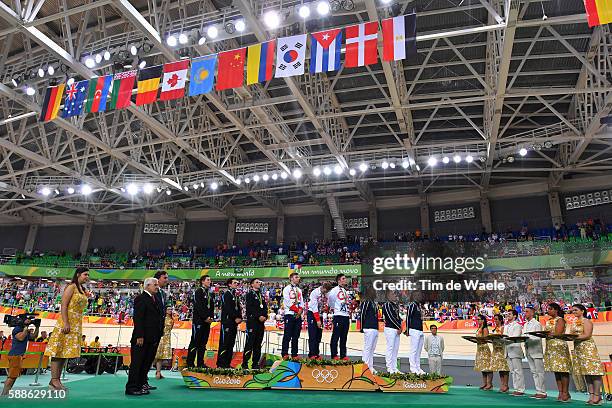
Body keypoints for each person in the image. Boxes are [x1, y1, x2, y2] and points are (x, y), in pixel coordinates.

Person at [44, 267, 90, 391]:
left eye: (88, 275)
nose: (87, 277)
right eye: (85, 274)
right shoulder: (71, 287)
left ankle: (56, 380)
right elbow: (63, 305)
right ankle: (54, 380)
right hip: (67, 321)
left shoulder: (82, 289)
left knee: (65, 352)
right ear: (79, 274)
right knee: (58, 351)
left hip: (76, 323)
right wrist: (65, 322)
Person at [125, 277, 162, 396]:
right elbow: (138, 318)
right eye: (155, 285)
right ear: (147, 286)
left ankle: (140, 385)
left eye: (157, 285)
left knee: (146, 363)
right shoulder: (141, 299)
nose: (157, 286)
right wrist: (140, 335)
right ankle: (131, 387)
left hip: (152, 337)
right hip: (141, 338)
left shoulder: (154, 298)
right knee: (137, 363)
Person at [571, 304, 604, 405]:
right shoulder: (574, 322)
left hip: (588, 348)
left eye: (576, 310)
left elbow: (587, 335)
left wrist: (573, 338)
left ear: (582, 311)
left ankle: (598, 396)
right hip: (578, 349)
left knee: (594, 372)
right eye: (573, 310)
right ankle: (591, 395)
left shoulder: (586, 321)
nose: (574, 312)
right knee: (586, 373)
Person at [1, 315, 39, 396]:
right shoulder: (17, 329)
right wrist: (25, 329)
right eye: (28, 319)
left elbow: (33, 336)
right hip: (15, 355)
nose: (30, 321)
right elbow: (21, 338)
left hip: (18, 355)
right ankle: (4, 394)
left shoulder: (23, 329)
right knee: (11, 377)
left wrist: (37, 327)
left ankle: (6, 393)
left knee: (13, 376)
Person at [544, 302, 572, 402]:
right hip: (550, 346)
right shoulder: (548, 320)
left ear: (556, 310)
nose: (548, 310)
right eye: (548, 309)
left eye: (550, 309)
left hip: (559, 346)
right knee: (556, 371)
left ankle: (565, 392)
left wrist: (548, 334)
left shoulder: (560, 320)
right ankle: (560, 391)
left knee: (563, 370)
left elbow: (558, 333)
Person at [187, 275, 214, 368]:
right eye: (208, 280)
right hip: (199, 321)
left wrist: (211, 317)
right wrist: (205, 317)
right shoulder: (198, 291)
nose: (210, 281)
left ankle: (200, 363)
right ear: (202, 281)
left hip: (207, 322)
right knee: (195, 342)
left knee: (203, 343)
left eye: (210, 280)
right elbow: (198, 306)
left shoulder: (210, 293)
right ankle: (190, 363)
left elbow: (211, 307)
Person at [243, 278, 268, 369]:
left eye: (259, 282)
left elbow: (265, 307)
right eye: (257, 282)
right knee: (250, 343)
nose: (259, 283)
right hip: (252, 322)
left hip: (260, 323)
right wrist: (258, 316)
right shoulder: (249, 295)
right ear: (252, 285)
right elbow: (250, 308)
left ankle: (255, 363)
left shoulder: (261, 295)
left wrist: (265, 316)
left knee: (258, 344)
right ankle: (245, 363)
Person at [216, 278, 242, 368]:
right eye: (235, 283)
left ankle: (227, 363)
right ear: (229, 284)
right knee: (225, 343)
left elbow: (238, 308)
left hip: (234, 322)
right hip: (227, 322)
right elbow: (228, 308)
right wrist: (235, 317)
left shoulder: (235, 295)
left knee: (231, 343)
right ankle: (221, 364)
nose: (237, 284)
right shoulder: (226, 294)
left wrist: (240, 317)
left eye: (237, 283)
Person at [523, 305, 546, 399]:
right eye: (525, 311)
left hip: (536, 350)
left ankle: (543, 392)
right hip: (528, 349)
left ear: (532, 312)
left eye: (527, 311)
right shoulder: (525, 324)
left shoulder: (537, 324)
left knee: (540, 372)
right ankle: (538, 390)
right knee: (534, 372)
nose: (525, 313)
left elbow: (538, 337)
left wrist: (527, 338)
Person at [328, 273, 351, 360]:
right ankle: (334, 355)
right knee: (336, 336)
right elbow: (330, 300)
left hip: (345, 315)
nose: (345, 280)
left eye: (345, 278)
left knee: (344, 337)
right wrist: (335, 308)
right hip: (338, 315)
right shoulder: (334, 290)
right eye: (343, 278)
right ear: (338, 281)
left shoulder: (345, 291)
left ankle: (343, 355)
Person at [307, 282, 332, 358]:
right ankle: (312, 354)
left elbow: (328, 302)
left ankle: (316, 353)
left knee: (318, 335)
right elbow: (314, 308)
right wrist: (318, 320)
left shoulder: (327, 293)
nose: (326, 293)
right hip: (312, 314)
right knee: (313, 335)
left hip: (320, 314)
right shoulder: (314, 293)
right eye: (326, 291)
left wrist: (327, 307)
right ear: (323, 288)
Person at [281, 272, 304, 358]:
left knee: (296, 335)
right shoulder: (286, 289)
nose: (298, 279)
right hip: (290, 314)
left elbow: (301, 301)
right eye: (296, 277)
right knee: (287, 335)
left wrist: (300, 310)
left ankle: (294, 354)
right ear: (291, 278)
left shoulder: (299, 290)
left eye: (298, 277)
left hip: (298, 315)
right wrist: (297, 310)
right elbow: (287, 302)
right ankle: (284, 353)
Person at [504, 310, 525, 396]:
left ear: (515, 316)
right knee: (512, 371)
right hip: (507, 350)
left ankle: (520, 389)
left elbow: (515, 337)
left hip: (515, 350)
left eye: (510, 314)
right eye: (507, 314)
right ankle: (516, 388)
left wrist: (505, 339)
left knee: (518, 370)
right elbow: (504, 337)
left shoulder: (518, 326)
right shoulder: (506, 326)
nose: (508, 315)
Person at [359, 285, 379, 372]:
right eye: (373, 291)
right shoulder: (366, 301)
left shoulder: (373, 303)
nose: (375, 292)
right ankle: (364, 367)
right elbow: (362, 314)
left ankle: (370, 366)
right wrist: (362, 327)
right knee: (368, 348)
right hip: (368, 327)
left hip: (374, 328)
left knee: (372, 348)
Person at [382, 290, 402, 374]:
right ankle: (389, 368)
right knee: (390, 348)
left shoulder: (395, 305)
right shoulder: (386, 304)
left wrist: (399, 326)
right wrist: (398, 326)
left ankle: (394, 368)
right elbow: (390, 317)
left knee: (395, 349)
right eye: (392, 294)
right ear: (388, 295)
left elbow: (397, 317)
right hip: (390, 329)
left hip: (396, 329)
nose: (395, 295)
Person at [405, 293, 425, 374]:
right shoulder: (412, 305)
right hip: (414, 330)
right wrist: (407, 329)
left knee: (418, 351)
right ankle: (413, 368)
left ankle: (418, 367)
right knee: (414, 350)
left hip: (420, 330)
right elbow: (408, 317)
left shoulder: (418, 306)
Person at [489, 314, 509, 393]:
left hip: (502, 349)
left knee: (504, 368)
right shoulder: (494, 329)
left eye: (496, 319)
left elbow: (504, 337)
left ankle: (506, 385)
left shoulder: (503, 328)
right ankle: (502, 384)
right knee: (500, 368)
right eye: (494, 319)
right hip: (495, 350)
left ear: (500, 320)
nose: (495, 321)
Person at [154, 307, 175, 379]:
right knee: (157, 355)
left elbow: (170, 329)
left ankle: (158, 371)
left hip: (167, 339)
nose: (170, 310)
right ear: (165, 311)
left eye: (171, 309)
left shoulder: (172, 320)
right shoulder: (162, 318)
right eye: (168, 309)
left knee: (162, 356)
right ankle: (156, 372)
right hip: (161, 338)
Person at [474, 314, 493, 390]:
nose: (477, 321)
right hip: (479, 349)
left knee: (487, 367)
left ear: (483, 320)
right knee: (482, 367)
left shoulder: (485, 328)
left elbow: (486, 339)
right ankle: (485, 383)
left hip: (484, 348)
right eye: (477, 319)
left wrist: (479, 340)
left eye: (479, 319)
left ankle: (489, 384)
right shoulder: (479, 328)